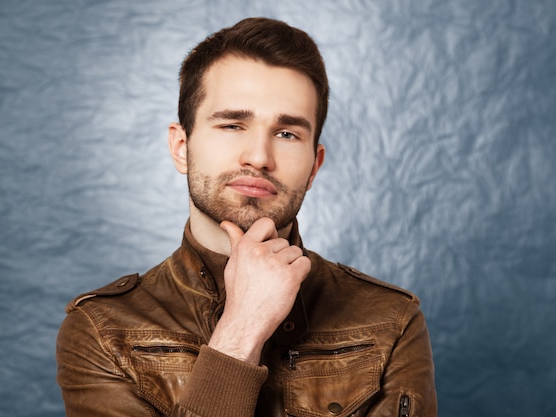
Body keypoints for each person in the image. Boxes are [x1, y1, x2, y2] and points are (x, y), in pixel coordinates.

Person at [56, 17, 437, 417]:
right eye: (233, 124)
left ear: (314, 167)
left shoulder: (391, 321)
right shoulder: (101, 331)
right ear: (182, 147)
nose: (258, 156)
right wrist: (241, 330)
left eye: (287, 133)